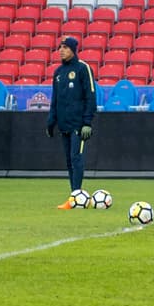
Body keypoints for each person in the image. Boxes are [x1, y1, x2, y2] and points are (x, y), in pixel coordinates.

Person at [47, 36, 97, 208]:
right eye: (60, 47)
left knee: (76, 158)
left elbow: (90, 95)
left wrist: (87, 122)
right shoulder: (58, 73)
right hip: (64, 124)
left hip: (78, 124)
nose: (61, 50)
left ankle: (75, 197)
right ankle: (75, 196)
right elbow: (55, 99)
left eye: (65, 47)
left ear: (73, 50)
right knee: (69, 160)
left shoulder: (83, 68)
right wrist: (51, 121)